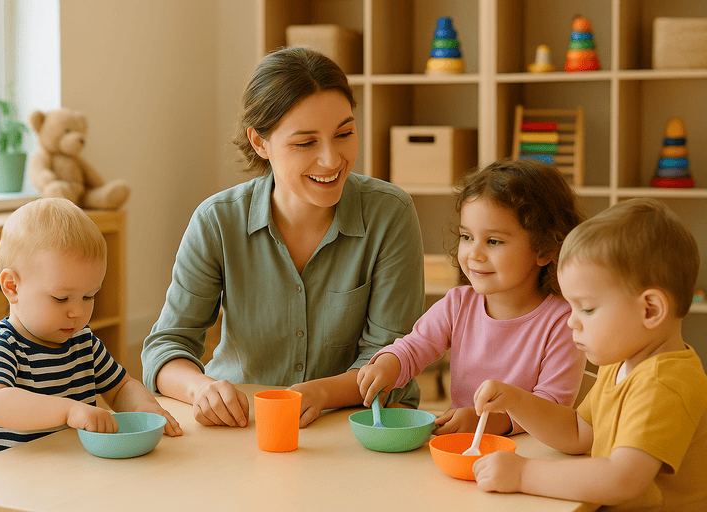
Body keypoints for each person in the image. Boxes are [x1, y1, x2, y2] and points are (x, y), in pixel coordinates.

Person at [141, 47, 425, 429]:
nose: (331, 159)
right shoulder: (218, 221)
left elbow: (390, 360)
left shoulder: (391, 214)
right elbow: (166, 346)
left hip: (358, 422)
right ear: (260, 143)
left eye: (344, 133)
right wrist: (200, 389)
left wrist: (321, 393)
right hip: (243, 424)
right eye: (306, 143)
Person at [472, 198, 707, 510]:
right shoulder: (623, 362)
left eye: (587, 308)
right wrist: (516, 401)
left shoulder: (663, 384)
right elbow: (579, 433)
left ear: (650, 309)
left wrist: (523, 473)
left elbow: (622, 479)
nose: (571, 320)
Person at [358, 159, 586, 435]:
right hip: (463, 449)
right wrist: (388, 363)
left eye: (493, 241)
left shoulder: (563, 323)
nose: (474, 254)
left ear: (545, 249)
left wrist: (486, 423)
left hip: (529, 454)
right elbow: (415, 346)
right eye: (467, 237)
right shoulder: (458, 304)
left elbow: (552, 409)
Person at [0, 198, 181, 466]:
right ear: (12, 287)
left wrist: (143, 408)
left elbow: (121, 386)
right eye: (62, 298)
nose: (77, 312)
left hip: (59, 476)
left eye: (88, 296)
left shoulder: (83, 343)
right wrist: (69, 410)